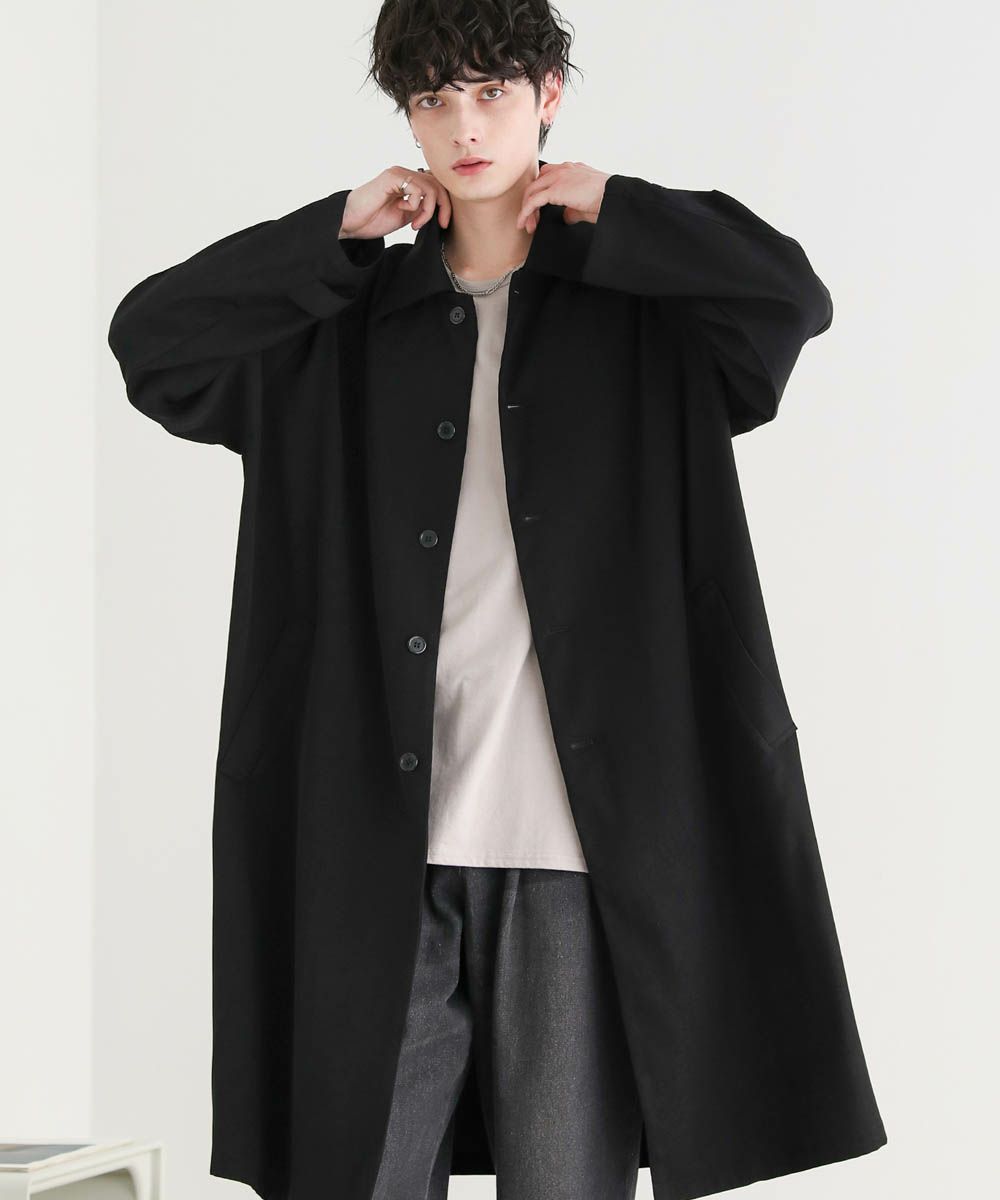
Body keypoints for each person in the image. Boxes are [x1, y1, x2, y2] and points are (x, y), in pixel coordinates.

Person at [108, 2, 886, 1199]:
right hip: (376, 848)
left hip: (576, 849)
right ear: (408, 118)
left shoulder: (647, 322)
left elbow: (789, 297)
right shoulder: (340, 330)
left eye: (491, 91)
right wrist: (330, 235)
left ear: (547, 95)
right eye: (433, 99)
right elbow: (154, 342)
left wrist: (621, 208)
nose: (464, 126)